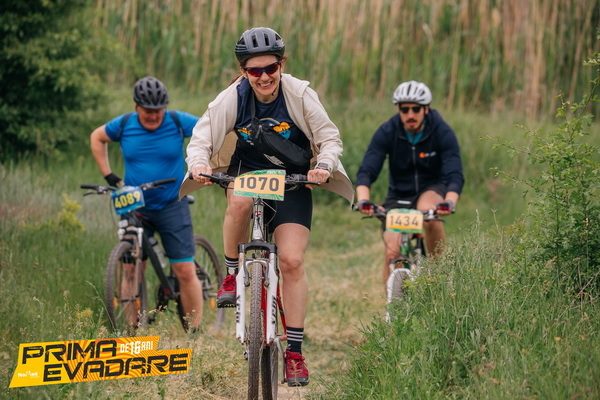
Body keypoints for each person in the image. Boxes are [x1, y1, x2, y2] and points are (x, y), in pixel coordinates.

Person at [180, 27, 353, 386]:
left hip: (292, 181)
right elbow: (201, 139)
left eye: (270, 68)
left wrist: (323, 166)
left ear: (281, 64)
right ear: (243, 71)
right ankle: (232, 273)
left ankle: (295, 353)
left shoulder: (299, 94)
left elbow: (329, 138)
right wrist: (197, 164)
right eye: (254, 71)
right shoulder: (231, 98)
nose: (263, 77)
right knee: (240, 200)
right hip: (247, 173)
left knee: (292, 261)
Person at [90, 76, 204, 331]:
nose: (153, 115)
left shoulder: (177, 121)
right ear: (136, 107)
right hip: (134, 206)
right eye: (147, 111)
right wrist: (109, 176)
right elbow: (96, 137)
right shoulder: (124, 124)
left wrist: (203, 165)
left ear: (165, 107)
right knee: (131, 269)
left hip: (171, 204)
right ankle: (132, 330)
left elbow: (211, 131)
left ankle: (195, 332)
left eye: (158, 110)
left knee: (184, 270)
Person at [355, 80, 464, 287]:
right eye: (405, 110)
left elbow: (454, 173)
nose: (410, 115)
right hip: (398, 195)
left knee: (428, 213)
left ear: (426, 109)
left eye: (416, 109)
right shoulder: (388, 130)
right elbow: (367, 169)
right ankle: (392, 302)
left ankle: (438, 274)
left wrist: (449, 202)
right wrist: (363, 200)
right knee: (392, 252)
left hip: (432, 188)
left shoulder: (441, 131)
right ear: (399, 110)